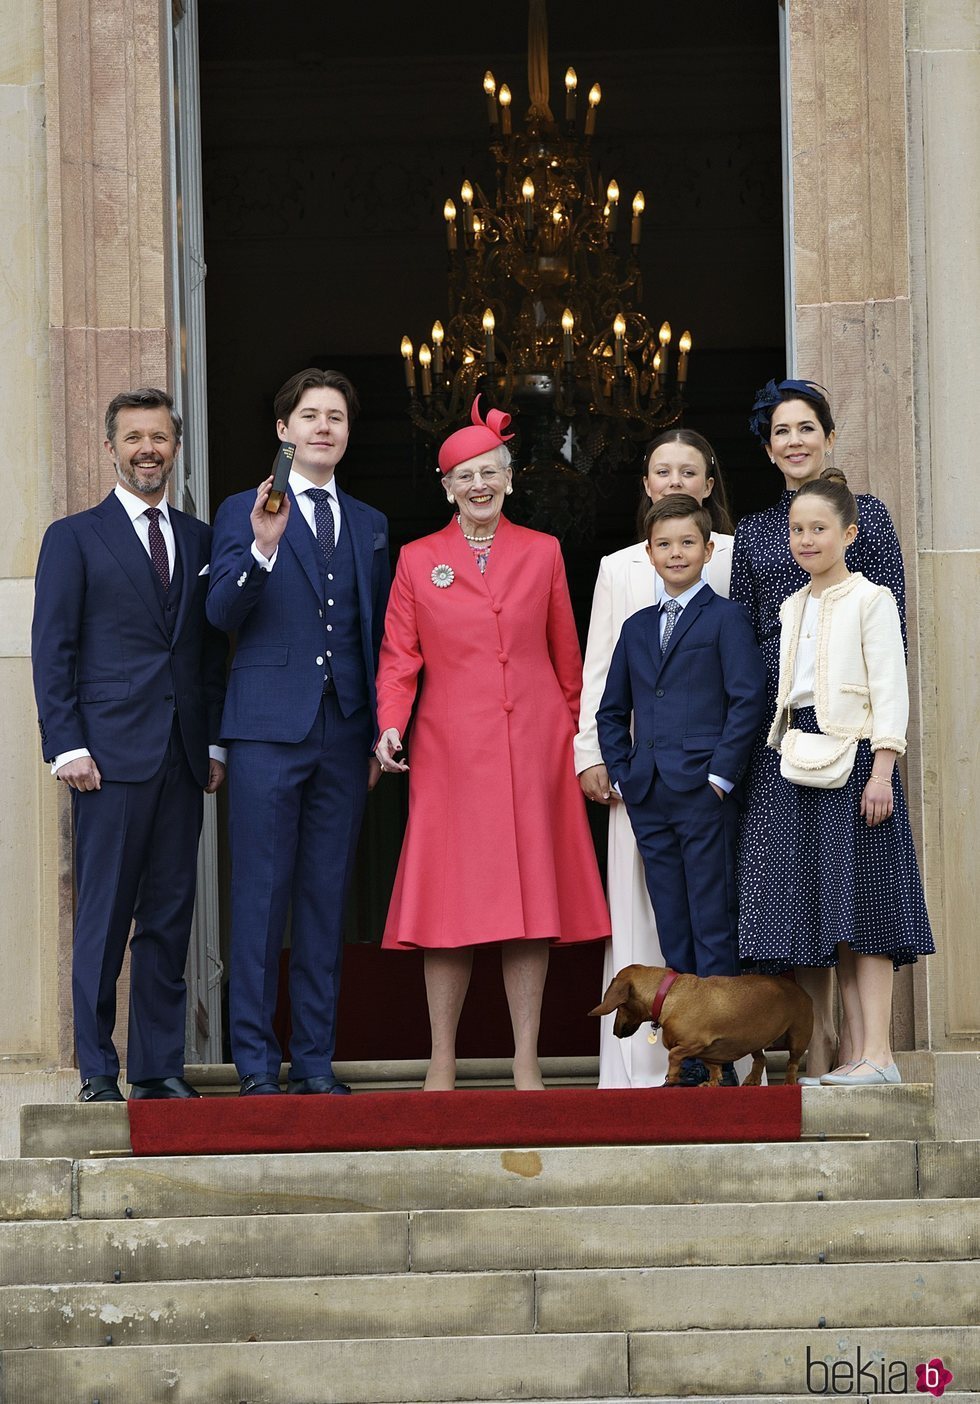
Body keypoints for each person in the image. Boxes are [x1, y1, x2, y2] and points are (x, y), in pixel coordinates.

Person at [374, 397, 610, 1091]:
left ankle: (526, 1059)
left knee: (530, 907)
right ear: (446, 488)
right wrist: (392, 723)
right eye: (463, 476)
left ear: (509, 480)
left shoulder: (543, 552)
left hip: (535, 746)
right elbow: (399, 658)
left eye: (489, 473)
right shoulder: (419, 561)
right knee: (448, 903)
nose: (478, 485)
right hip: (450, 751)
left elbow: (569, 660)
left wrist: (580, 745)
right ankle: (441, 1057)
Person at [31, 387, 227, 1102]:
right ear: (109, 448)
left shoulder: (201, 539)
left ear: (176, 448)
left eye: (161, 438)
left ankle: (156, 1067)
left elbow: (209, 655)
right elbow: (53, 649)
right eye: (135, 437)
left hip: (181, 756)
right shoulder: (73, 536)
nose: (149, 449)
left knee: (169, 919)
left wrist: (214, 745)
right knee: (104, 919)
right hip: (106, 763)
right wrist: (67, 746)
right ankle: (95, 1072)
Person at [207, 368, 389, 1096]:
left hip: (343, 734)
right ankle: (255, 1064)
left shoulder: (371, 524)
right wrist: (260, 549)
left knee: (324, 898)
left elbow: (381, 635)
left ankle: (314, 1062)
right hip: (264, 733)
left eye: (336, 417)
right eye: (309, 415)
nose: (323, 427)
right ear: (283, 430)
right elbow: (219, 615)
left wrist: (380, 729)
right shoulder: (239, 509)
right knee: (259, 897)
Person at [731, 378, 907, 1078]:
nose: (795, 440)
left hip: (854, 734)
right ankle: (821, 1052)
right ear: (769, 448)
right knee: (803, 904)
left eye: (807, 427)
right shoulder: (754, 533)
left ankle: (872, 1054)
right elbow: (747, 638)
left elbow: (891, 639)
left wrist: (883, 755)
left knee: (859, 894)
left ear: (828, 436)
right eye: (782, 431)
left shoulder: (870, 522)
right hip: (783, 738)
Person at [576, 429, 735, 1087]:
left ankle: (717, 1048)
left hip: (711, 776)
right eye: (661, 471)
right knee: (648, 907)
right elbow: (602, 668)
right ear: (646, 485)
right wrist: (595, 753)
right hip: (641, 774)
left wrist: (728, 770)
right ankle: (641, 1067)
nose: (674, 481)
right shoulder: (619, 566)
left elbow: (747, 669)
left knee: (712, 907)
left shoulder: (734, 554)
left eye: (687, 471)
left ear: (707, 481)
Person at [596, 495, 767, 1086]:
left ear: (708, 549)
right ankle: (688, 1055)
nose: (676, 553)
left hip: (704, 790)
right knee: (672, 921)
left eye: (687, 543)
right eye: (664, 544)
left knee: (712, 921)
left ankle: (721, 1055)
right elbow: (611, 710)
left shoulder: (726, 619)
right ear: (649, 553)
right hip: (649, 794)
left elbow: (748, 700)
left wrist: (721, 774)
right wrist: (623, 771)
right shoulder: (637, 627)